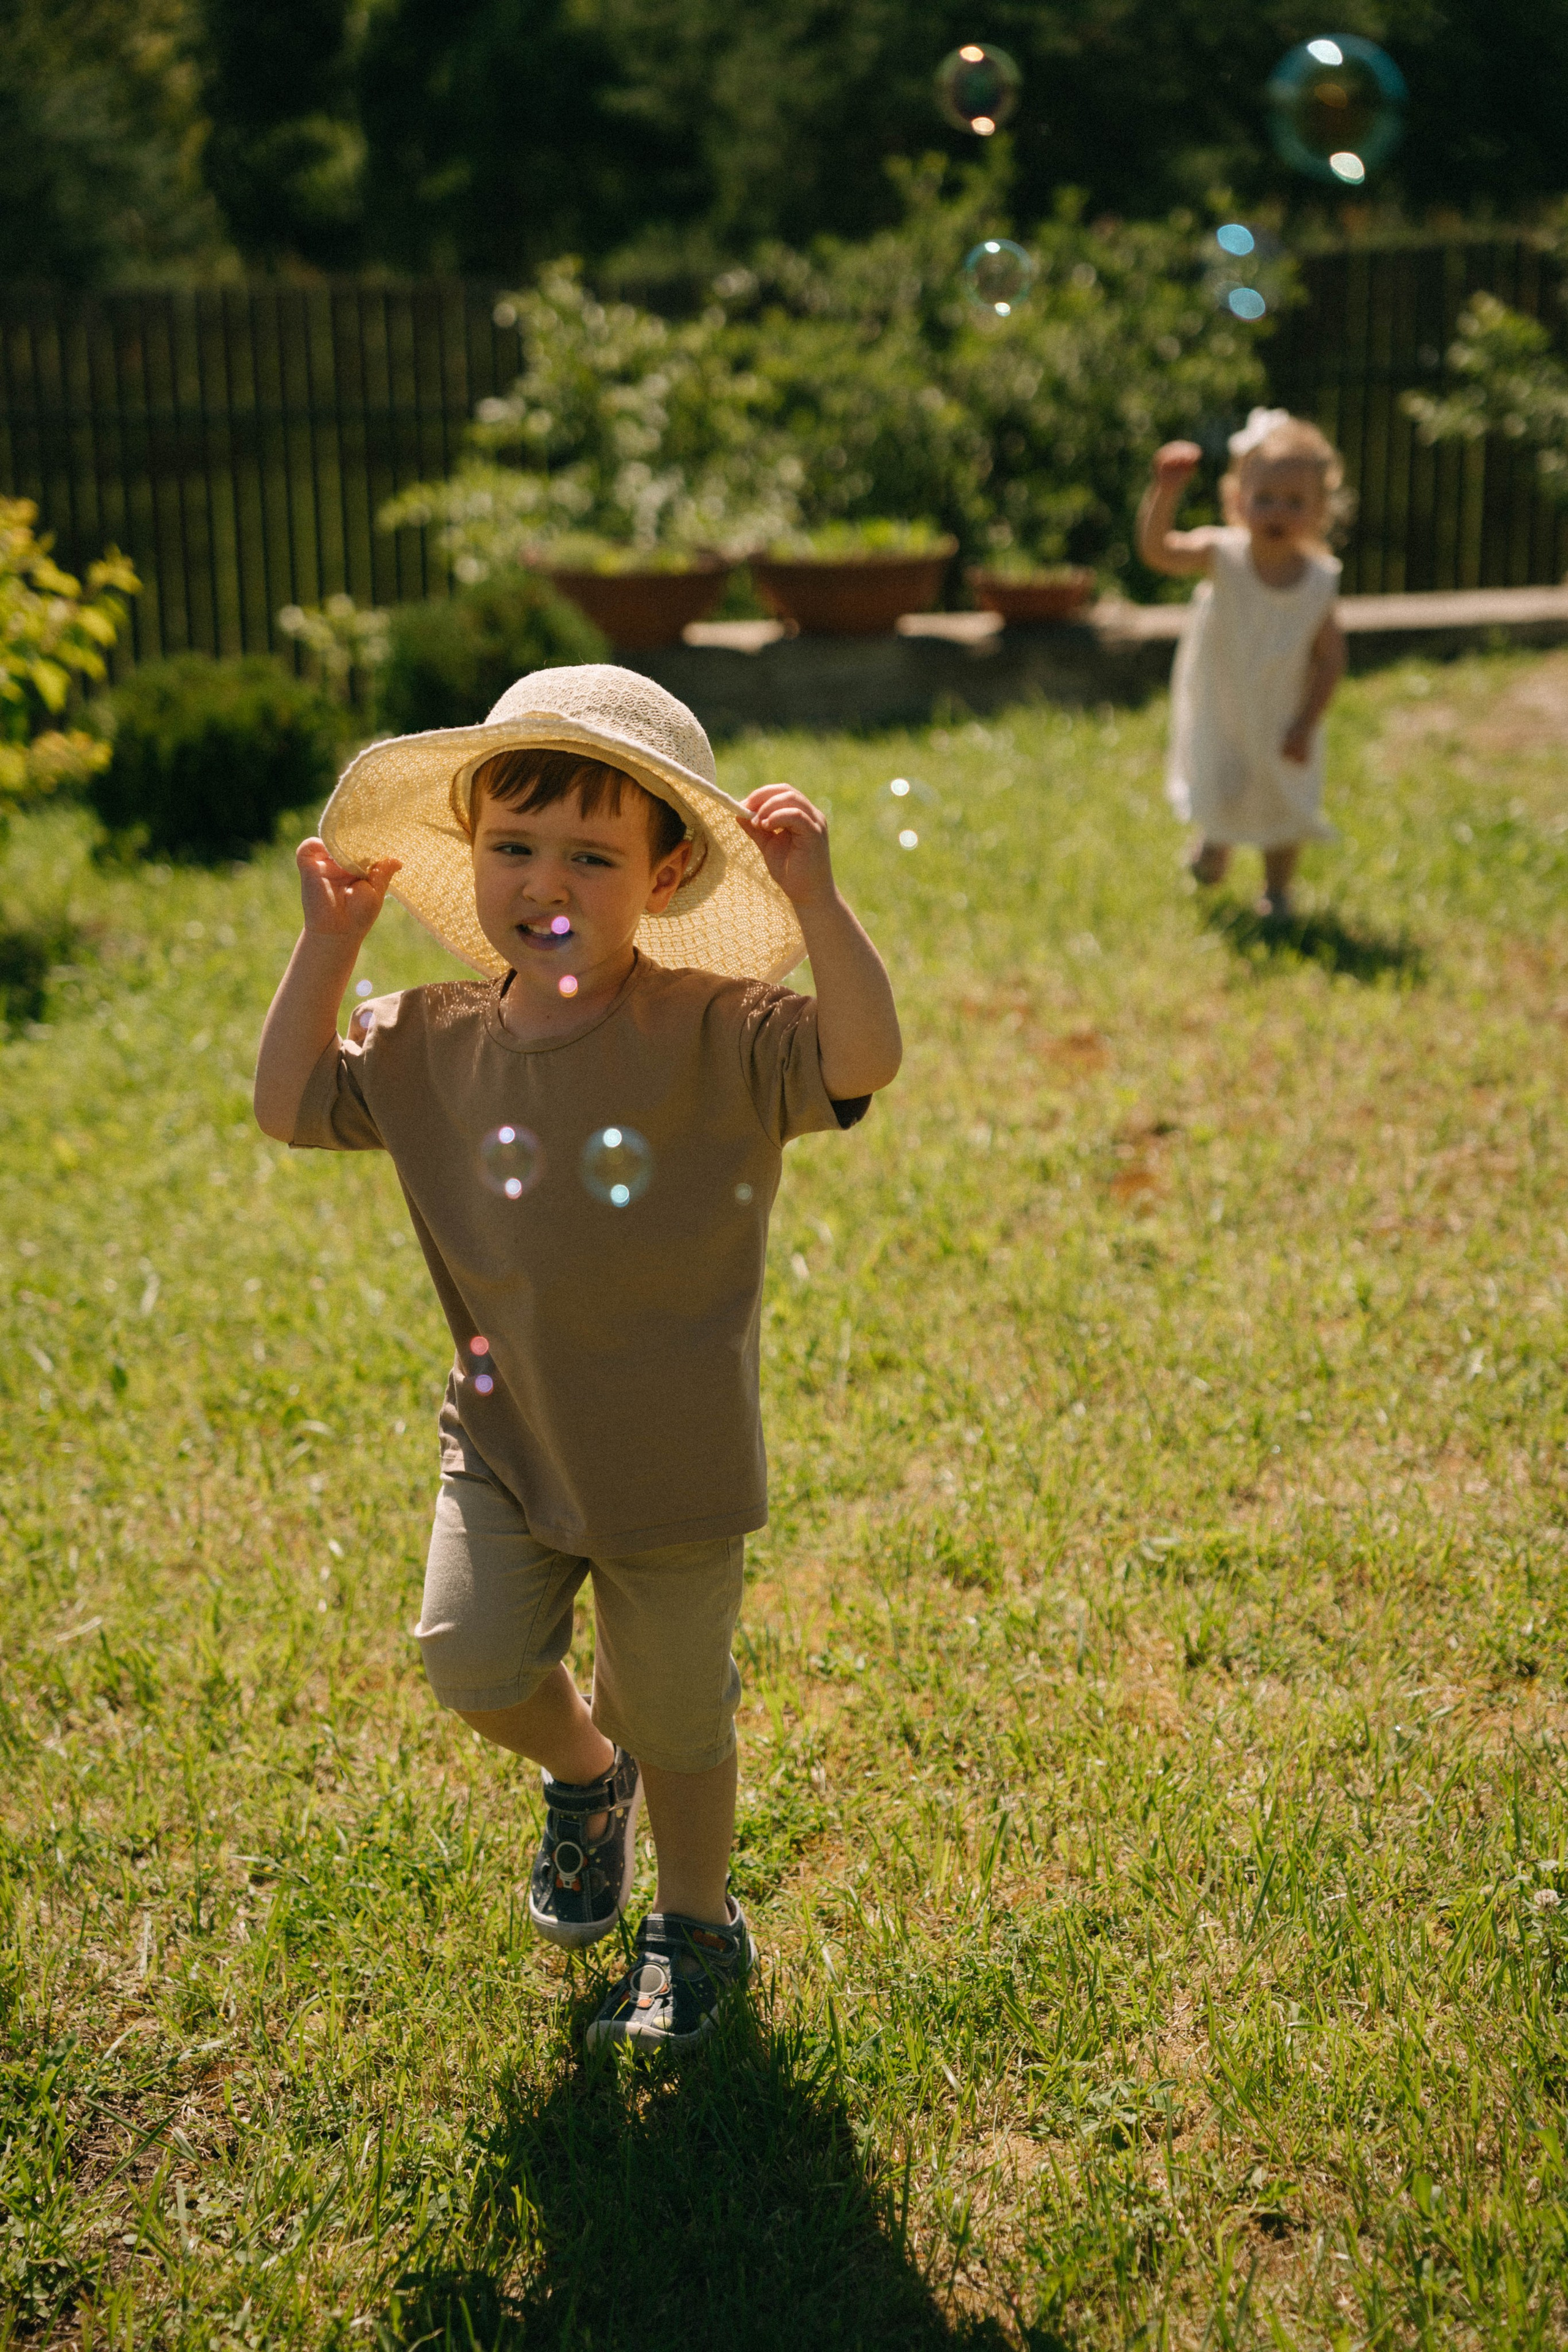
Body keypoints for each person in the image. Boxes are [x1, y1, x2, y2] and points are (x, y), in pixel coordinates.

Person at [253, 663, 901, 2048]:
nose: (543, 877)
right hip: (502, 1435)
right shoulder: (430, 1038)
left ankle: (693, 1922)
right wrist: (330, 944)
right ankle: (579, 1774)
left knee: (681, 1719)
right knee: (471, 1659)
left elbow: (860, 1057)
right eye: (513, 846)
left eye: (591, 854)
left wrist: (817, 904)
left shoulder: (718, 1032)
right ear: (471, 856)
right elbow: (292, 1104)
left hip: (670, 1458)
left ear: (664, 878)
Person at [1137, 407, 1349, 921]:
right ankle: (1217, 839)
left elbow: (1330, 661)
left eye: (1295, 501)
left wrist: (1306, 722)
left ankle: (1277, 891)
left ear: (1321, 510)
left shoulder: (1318, 582)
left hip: (1284, 712)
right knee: (1224, 778)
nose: (1278, 510)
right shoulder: (1221, 556)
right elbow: (1159, 553)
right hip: (1225, 699)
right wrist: (1165, 492)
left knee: (1283, 797)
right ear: (1237, 500)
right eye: (1265, 498)